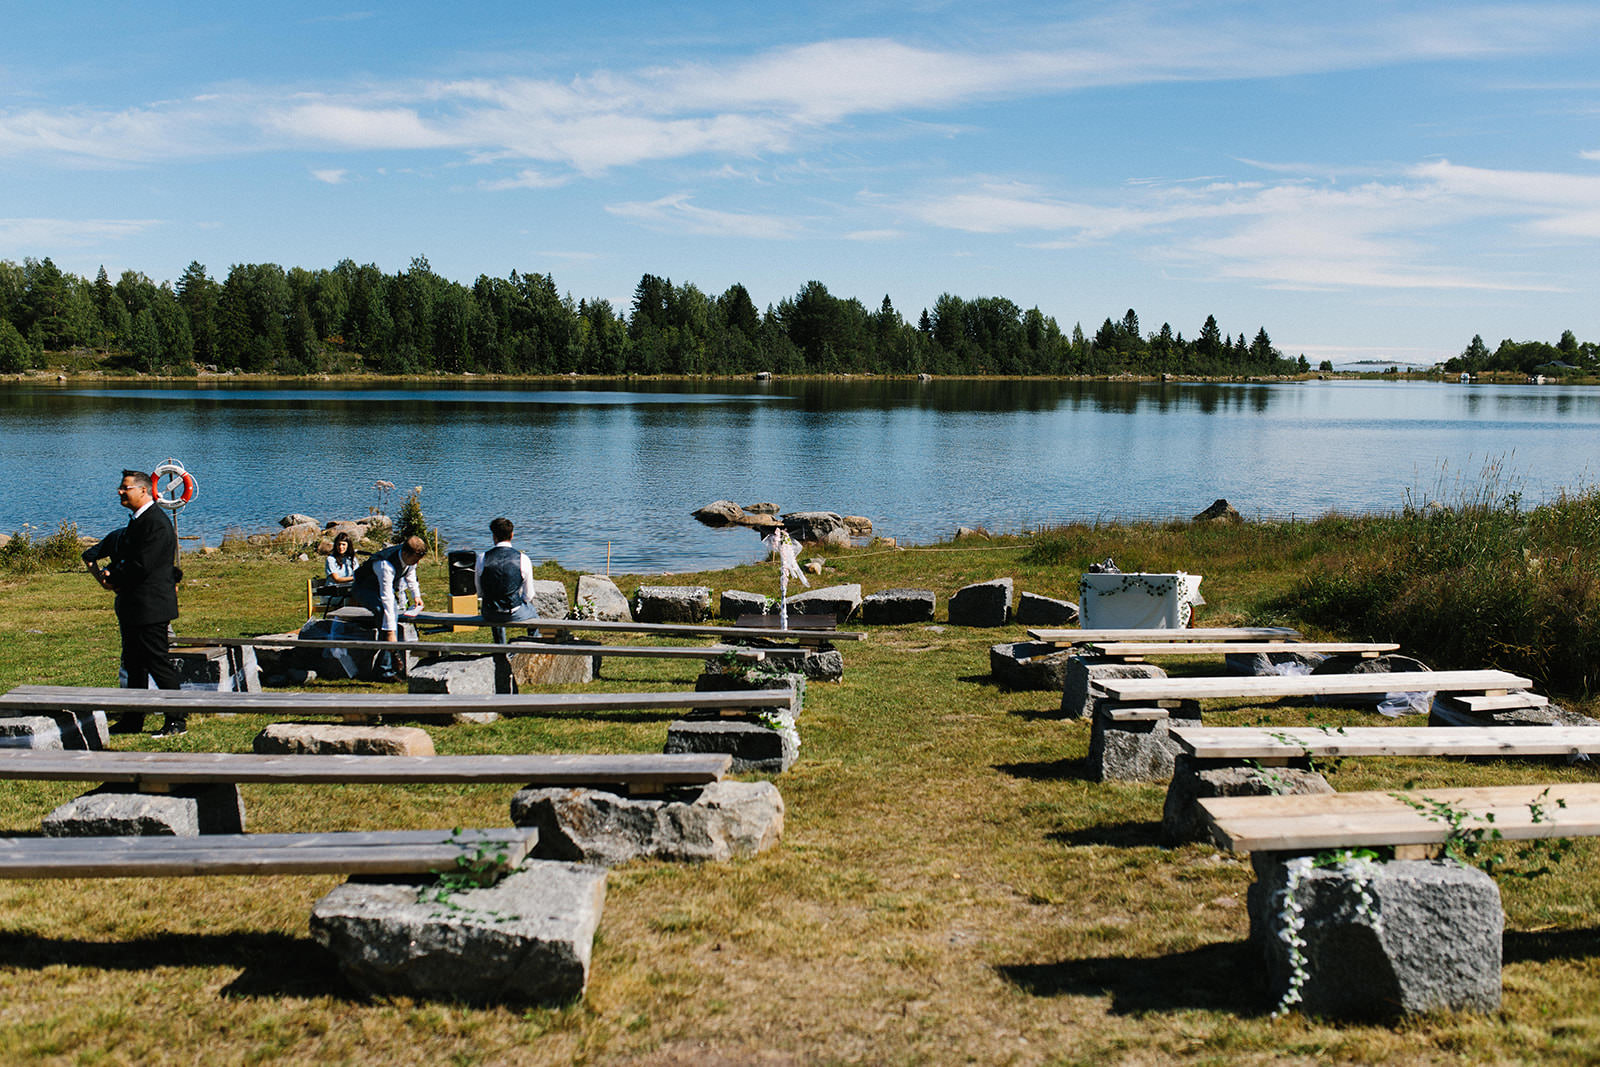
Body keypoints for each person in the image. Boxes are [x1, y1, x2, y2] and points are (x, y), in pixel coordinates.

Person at [84, 470, 186, 737]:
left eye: (125, 488)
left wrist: (113, 575)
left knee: (157, 662)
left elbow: (142, 565)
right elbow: (129, 557)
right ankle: (132, 719)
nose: (120, 491)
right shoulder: (138, 521)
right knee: (133, 665)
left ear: (143, 491)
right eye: (120, 487)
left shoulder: (155, 523)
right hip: (133, 605)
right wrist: (113, 571)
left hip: (150, 607)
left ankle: (177, 720)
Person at [350, 535, 427, 681]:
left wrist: (416, 595)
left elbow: (411, 574)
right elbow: (387, 597)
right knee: (383, 611)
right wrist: (390, 632)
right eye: (415, 560)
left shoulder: (410, 558)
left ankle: (386, 665)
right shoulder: (385, 565)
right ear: (405, 553)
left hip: (381, 588)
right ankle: (387, 666)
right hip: (364, 588)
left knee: (388, 615)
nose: (416, 563)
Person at [475, 517, 540, 644]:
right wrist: (520, 601)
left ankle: (500, 647)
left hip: (490, 611)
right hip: (513, 611)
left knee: (494, 610)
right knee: (533, 614)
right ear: (512, 535)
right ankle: (533, 645)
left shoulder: (482, 558)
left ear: (493, 536)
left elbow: (479, 592)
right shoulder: (523, 559)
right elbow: (529, 595)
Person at [321, 530, 358, 609]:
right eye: (339, 544)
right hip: (332, 594)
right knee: (353, 600)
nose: (341, 547)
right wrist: (354, 578)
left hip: (347, 592)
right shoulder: (331, 559)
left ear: (348, 545)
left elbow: (357, 573)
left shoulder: (352, 559)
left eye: (343, 544)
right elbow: (337, 579)